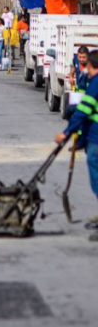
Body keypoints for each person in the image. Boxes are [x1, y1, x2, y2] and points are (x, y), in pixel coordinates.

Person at [54, 49, 98, 241]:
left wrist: (66, 132)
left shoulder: (95, 84)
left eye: (87, 66)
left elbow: (83, 111)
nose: (85, 69)